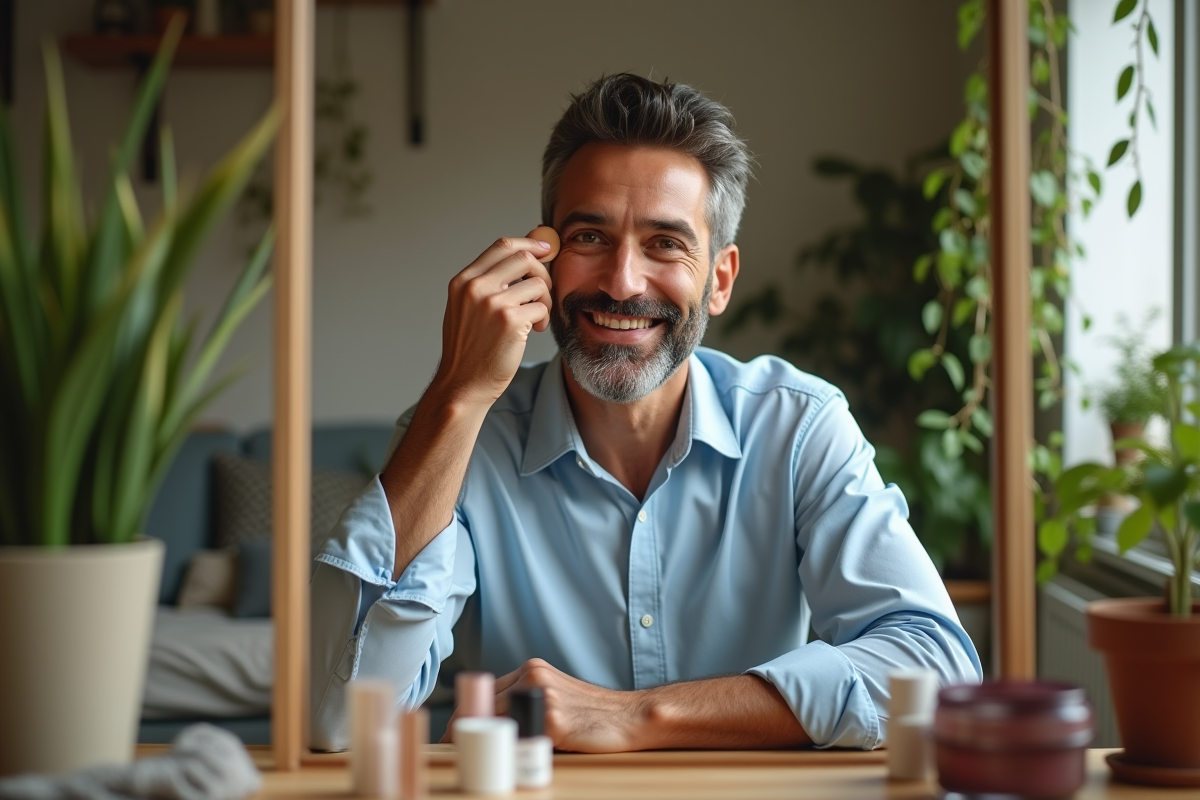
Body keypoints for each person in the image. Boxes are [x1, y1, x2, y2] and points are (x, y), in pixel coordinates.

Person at [309, 73, 981, 753]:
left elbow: (938, 671)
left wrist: (638, 714)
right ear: (542, 258)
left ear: (719, 279)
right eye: (590, 237)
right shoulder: (462, 434)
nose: (623, 282)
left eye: (665, 243)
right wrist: (457, 393)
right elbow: (338, 717)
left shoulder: (798, 429)